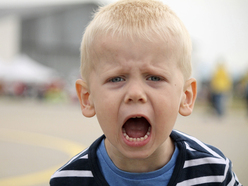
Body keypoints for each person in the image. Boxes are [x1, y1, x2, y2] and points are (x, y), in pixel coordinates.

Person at [50, 0, 241, 185]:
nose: (135, 93)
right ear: (87, 98)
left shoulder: (215, 173)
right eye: (116, 79)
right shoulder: (68, 179)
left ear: (186, 96)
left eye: (154, 78)